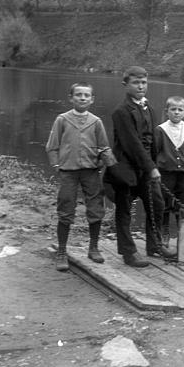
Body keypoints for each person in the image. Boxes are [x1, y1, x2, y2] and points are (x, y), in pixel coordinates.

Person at [104, 66, 176, 267]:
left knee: (157, 203)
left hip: (145, 167)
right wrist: (150, 167)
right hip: (125, 166)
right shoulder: (121, 111)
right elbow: (131, 143)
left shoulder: (149, 108)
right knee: (125, 209)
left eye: (144, 82)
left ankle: (154, 245)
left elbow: (151, 140)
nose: (141, 86)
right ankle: (128, 252)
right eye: (136, 83)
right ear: (125, 85)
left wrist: (155, 166)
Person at [45, 82, 116, 271]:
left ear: (92, 100)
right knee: (66, 207)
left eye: (86, 95)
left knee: (95, 208)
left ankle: (93, 247)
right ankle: (61, 251)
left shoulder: (96, 122)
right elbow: (52, 146)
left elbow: (104, 146)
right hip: (68, 172)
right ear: (71, 98)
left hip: (91, 172)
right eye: (78, 95)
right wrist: (57, 165)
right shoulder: (62, 119)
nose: (82, 98)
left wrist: (111, 165)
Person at [154, 95, 184, 245]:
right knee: (165, 203)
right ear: (166, 111)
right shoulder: (161, 130)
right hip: (166, 172)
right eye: (173, 109)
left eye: (179, 110)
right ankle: (165, 233)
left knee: (183, 205)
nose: (176, 112)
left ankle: (183, 236)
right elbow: (155, 151)